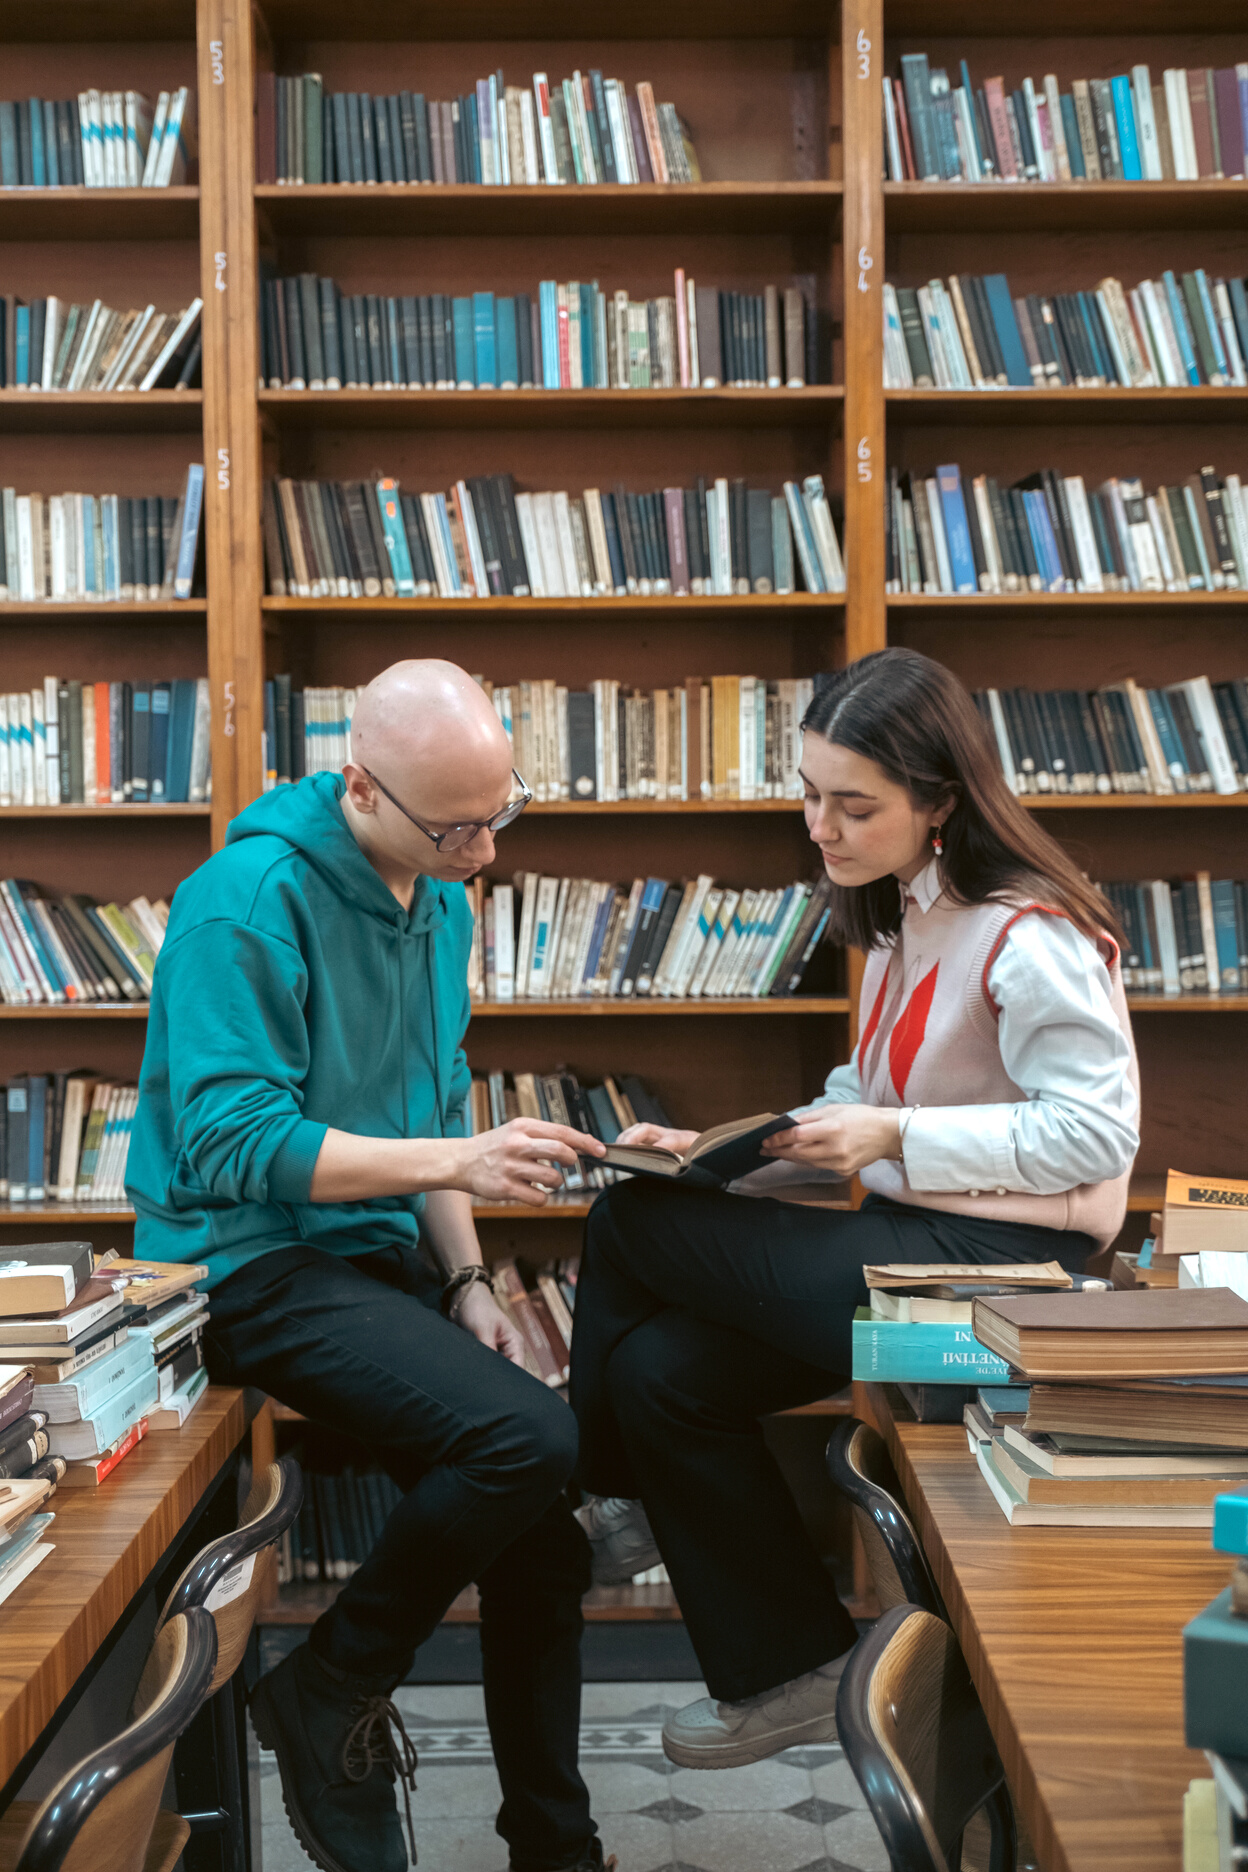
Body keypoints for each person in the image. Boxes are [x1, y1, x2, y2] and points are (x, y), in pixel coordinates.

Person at [568, 646, 1139, 1771]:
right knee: (660, 1373)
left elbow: (1097, 1136)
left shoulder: (1033, 937)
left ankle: (595, 1496)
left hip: (1003, 1281)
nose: (819, 828)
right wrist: (722, 1155)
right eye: (809, 794)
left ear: (939, 803)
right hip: (915, 1240)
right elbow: (865, 1105)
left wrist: (892, 1137)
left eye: (852, 804)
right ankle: (788, 1665)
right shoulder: (902, 917)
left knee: (627, 1229)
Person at [127, 660, 612, 1872]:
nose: (486, 852)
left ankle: (553, 1847)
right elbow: (236, 1145)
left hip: (374, 1254)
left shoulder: (436, 894)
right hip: (238, 1267)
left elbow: (435, 1090)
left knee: (545, 1539)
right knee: (527, 1442)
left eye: (503, 813)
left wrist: (469, 1284)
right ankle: (330, 1683)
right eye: (458, 826)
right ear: (362, 790)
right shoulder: (242, 902)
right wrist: (458, 1161)